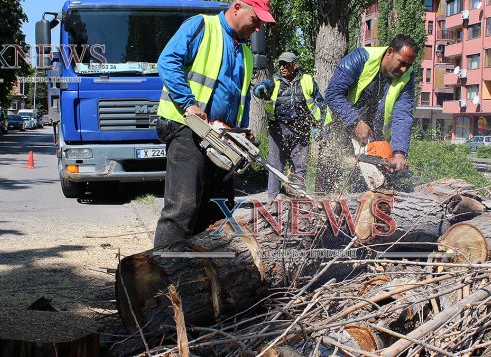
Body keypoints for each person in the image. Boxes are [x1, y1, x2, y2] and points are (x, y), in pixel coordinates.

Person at [153, 0, 275, 249]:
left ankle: (204, 277)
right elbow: (167, 61)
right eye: (256, 19)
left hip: (221, 139)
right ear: (238, 6)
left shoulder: (246, 53)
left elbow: (237, 98)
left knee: (217, 211)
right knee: (182, 208)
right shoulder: (202, 26)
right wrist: (189, 103)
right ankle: (162, 279)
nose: (258, 27)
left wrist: (240, 133)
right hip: (188, 128)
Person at [317, 34, 418, 193]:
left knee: (370, 186)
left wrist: (399, 153)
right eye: (402, 63)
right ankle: (320, 209)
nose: (404, 69)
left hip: (372, 136)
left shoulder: (407, 76)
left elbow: (403, 114)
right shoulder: (360, 58)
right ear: (390, 52)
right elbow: (332, 94)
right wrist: (355, 121)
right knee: (327, 180)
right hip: (339, 126)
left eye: (409, 65)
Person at [252, 52, 328, 200]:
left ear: (295, 65)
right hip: (278, 130)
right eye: (281, 64)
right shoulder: (274, 81)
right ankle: (272, 200)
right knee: (275, 167)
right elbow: (264, 86)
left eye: (286, 64)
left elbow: (320, 103)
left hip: (301, 129)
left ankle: (298, 199)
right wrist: (260, 88)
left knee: (299, 167)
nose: (282, 67)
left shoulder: (307, 81)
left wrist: (320, 126)